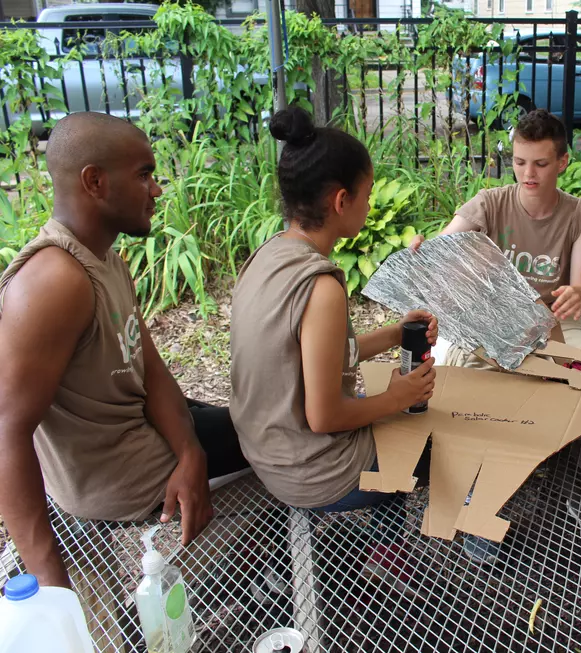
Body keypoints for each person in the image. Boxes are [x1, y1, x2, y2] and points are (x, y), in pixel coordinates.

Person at [0, 112, 249, 589]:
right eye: (143, 175)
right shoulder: (53, 281)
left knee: (244, 420)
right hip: (118, 477)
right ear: (94, 181)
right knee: (275, 436)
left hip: (136, 429)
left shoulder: (105, 256)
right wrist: (51, 585)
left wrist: (189, 451)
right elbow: (8, 429)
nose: (156, 189)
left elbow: (148, 366)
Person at [229, 106, 437, 589]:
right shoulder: (321, 287)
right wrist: (399, 398)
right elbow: (324, 417)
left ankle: (381, 551)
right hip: (310, 471)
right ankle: (390, 561)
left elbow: (312, 358)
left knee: (393, 414)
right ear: (342, 200)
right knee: (429, 440)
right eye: (366, 196)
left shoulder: (271, 254)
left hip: (266, 448)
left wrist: (391, 333)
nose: (367, 206)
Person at [410, 109, 581, 401]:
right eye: (519, 162)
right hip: (492, 323)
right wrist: (422, 251)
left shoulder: (580, 212)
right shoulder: (489, 203)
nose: (528, 174)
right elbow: (441, 248)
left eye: (540, 164)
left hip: (556, 322)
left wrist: (577, 295)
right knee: (469, 393)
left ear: (562, 162)